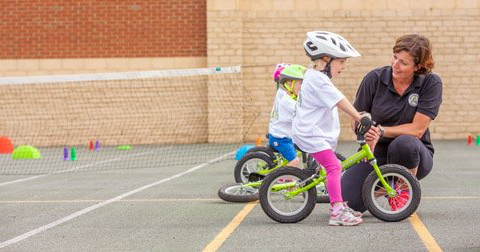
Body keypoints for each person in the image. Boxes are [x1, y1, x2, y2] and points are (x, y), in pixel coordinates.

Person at [341, 34, 443, 212]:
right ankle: (378, 190)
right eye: (395, 58)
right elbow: (356, 116)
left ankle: (403, 191)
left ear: (418, 66)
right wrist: (365, 133)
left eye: (403, 62)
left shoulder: (430, 83)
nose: (395, 64)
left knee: (405, 143)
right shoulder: (374, 78)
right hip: (376, 151)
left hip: (414, 153)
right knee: (348, 201)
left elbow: (418, 129)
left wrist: (381, 131)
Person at [292, 31, 367, 226]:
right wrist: (358, 116)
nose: (344, 67)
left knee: (330, 167)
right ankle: (337, 212)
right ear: (325, 59)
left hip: (312, 132)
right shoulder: (318, 79)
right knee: (334, 166)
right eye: (341, 62)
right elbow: (340, 100)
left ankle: (339, 204)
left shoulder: (315, 76)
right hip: (311, 134)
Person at [268, 64, 306, 167]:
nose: (302, 87)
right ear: (289, 83)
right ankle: (282, 178)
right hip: (281, 138)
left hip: (280, 134)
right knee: (295, 161)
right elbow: (302, 115)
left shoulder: (282, 93)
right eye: (300, 83)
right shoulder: (287, 102)